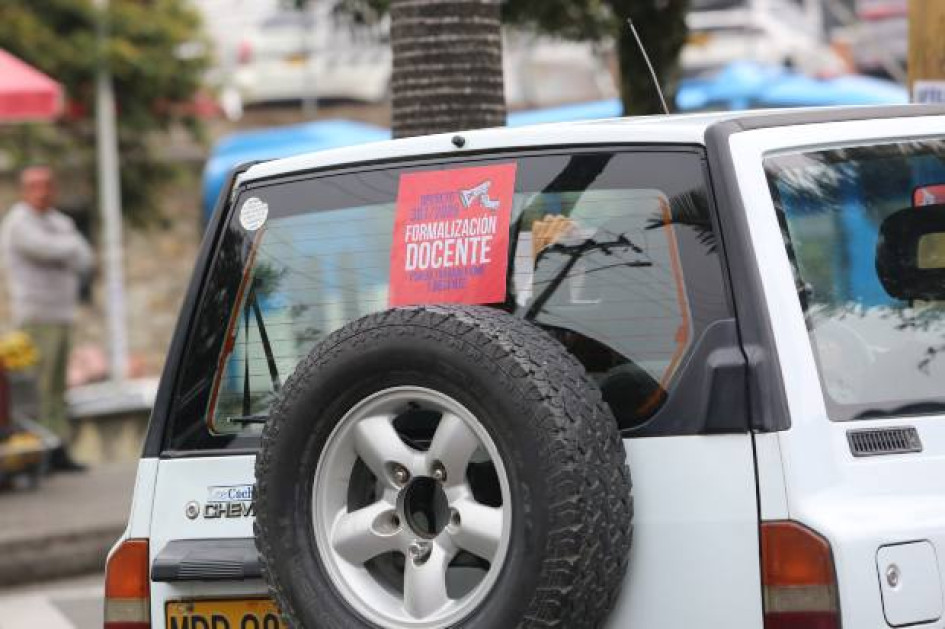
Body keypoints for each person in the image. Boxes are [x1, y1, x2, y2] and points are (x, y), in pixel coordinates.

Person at [0, 166, 93, 472]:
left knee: (57, 389)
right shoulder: (19, 222)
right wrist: (66, 249)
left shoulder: (59, 221)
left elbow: (85, 257)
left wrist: (64, 250)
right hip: (37, 316)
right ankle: (38, 453)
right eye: (35, 186)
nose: (43, 192)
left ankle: (58, 448)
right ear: (24, 190)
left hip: (62, 313)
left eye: (47, 185)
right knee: (37, 389)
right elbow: (44, 249)